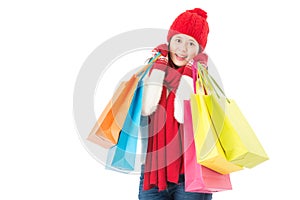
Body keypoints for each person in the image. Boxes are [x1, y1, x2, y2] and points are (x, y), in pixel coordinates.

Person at [138, 8, 212, 200]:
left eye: (191, 43)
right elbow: (146, 108)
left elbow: (181, 114)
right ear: (170, 40)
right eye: (178, 40)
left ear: (199, 50)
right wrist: (158, 69)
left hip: (192, 175)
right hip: (153, 173)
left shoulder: (203, 78)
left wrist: (189, 74)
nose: (182, 48)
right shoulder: (154, 67)